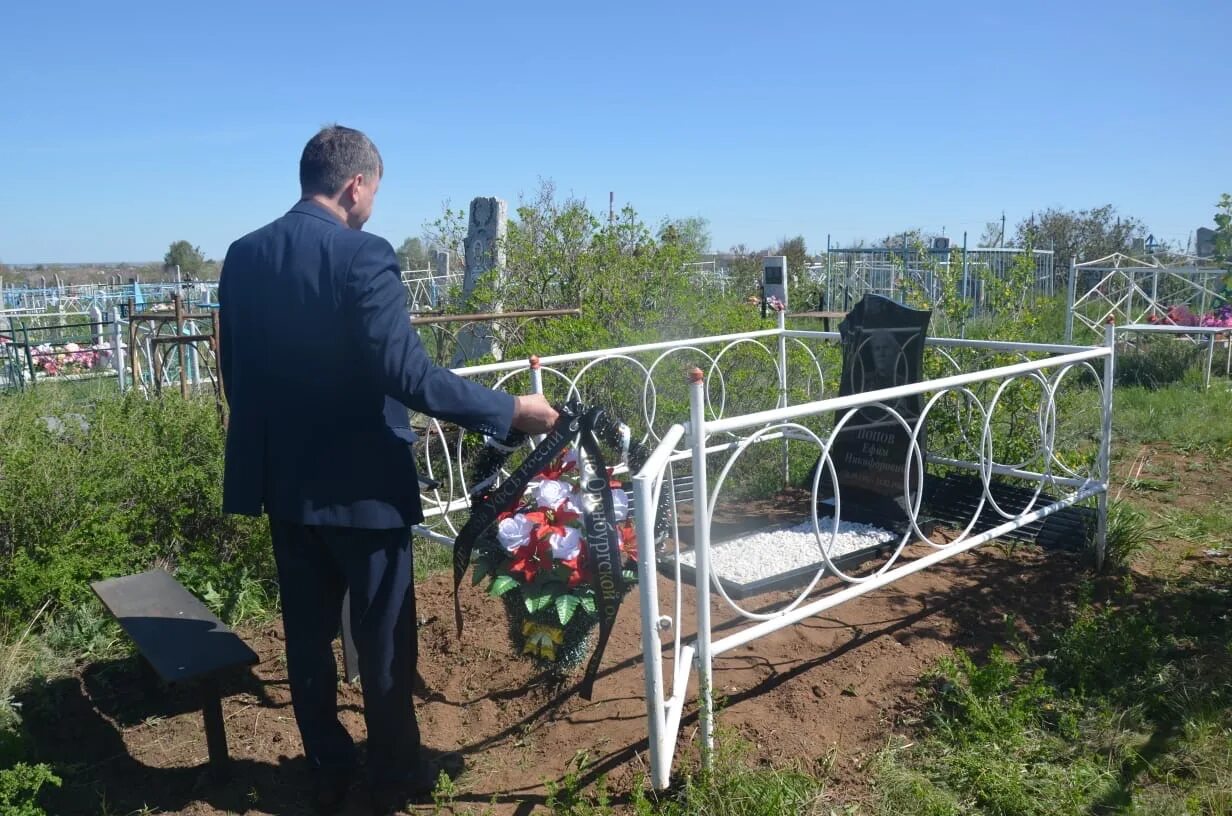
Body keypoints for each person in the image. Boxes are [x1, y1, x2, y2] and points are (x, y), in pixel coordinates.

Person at [218, 125, 558, 814]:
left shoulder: (244, 255)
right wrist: (509, 408)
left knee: (307, 638)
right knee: (382, 641)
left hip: (283, 483)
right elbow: (406, 374)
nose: (374, 203)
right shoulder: (363, 256)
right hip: (363, 490)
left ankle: (328, 762)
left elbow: (235, 374)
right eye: (375, 190)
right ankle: (396, 772)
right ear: (355, 185)